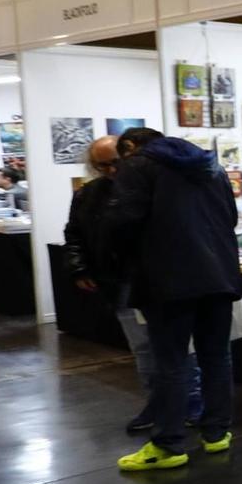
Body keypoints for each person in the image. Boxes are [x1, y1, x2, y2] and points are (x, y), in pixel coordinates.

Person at [101, 127, 241, 469]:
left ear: (132, 146)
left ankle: (167, 445)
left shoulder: (138, 167)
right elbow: (231, 217)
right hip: (219, 276)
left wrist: (123, 260)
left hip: (167, 280)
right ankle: (216, 433)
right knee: (216, 357)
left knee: (172, 362)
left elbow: (122, 221)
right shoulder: (212, 166)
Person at [64, 135, 171, 433]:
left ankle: (187, 405)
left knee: (175, 348)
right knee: (144, 349)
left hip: (160, 281)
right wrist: (79, 267)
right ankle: (157, 406)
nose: (111, 170)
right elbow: (75, 234)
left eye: (115, 162)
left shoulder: (156, 189)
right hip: (121, 282)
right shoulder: (88, 195)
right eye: (102, 165)